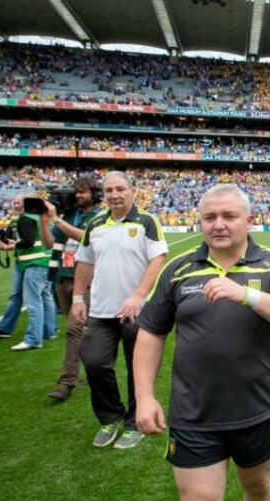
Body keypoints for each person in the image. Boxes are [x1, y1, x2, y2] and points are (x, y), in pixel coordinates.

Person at [135, 184, 270, 501]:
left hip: (256, 407)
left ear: (248, 221)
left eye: (229, 217)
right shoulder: (179, 269)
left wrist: (245, 296)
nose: (218, 225)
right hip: (194, 413)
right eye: (210, 218)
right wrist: (143, 397)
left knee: (258, 486)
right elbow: (151, 332)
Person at [73, 171, 167, 450]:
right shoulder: (95, 224)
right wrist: (78, 298)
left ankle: (133, 422)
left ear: (132, 192)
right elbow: (85, 262)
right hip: (101, 312)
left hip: (137, 311)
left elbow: (158, 259)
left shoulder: (146, 221)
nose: (114, 195)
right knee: (93, 361)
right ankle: (110, 417)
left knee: (138, 368)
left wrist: (138, 296)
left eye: (120, 189)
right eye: (109, 190)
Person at [45, 177, 102, 400]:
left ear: (94, 194)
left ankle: (66, 381)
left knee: (74, 329)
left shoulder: (98, 217)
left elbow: (85, 238)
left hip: (85, 280)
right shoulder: (69, 216)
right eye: (76, 192)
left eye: (83, 192)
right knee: (83, 330)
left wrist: (55, 219)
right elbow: (50, 243)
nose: (78, 196)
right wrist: (43, 221)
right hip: (62, 276)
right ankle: (93, 369)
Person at [0, 195, 57, 350]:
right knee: (45, 298)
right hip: (44, 260)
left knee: (33, 302)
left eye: (19, 203)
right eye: (14, 203)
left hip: (33, 262)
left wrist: (10, 246)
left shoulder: (26, 219)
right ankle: (49, 331)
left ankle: (33, 339)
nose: (16, 205)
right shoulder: (38, 217)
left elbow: (29, 241)